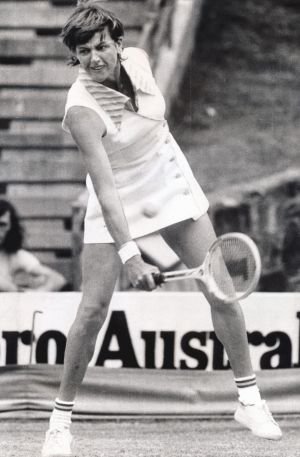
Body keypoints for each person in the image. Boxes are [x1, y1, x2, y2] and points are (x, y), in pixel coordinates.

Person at [41, 2, 282, 455]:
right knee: (92, 311)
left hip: (169, 182)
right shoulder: (81, 111)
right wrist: (131, 254)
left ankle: (249, 400)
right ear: (74, 56)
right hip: (116, 195)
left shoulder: (141, 62)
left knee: (221, 288)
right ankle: (59, 422)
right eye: (83, 51)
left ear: (118, 43)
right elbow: (107, 190)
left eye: (101, 46)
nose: (95, 58)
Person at [0, 199, 67, 292]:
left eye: (2, 225)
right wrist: (14, 290)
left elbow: (58, 279)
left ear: (11, 227)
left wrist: (35, 295)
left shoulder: (14, 256)